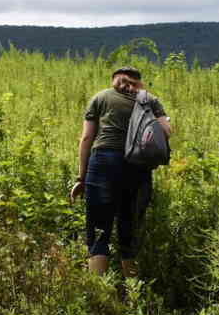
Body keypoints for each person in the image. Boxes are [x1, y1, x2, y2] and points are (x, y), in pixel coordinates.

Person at [69, 66, 171, 277]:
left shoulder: (101, 97)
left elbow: (87, 138)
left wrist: (81, 177)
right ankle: (133, 296)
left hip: (104, 161)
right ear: (138, 82)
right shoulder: (149, 99)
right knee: (129, 228)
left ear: (114, 80)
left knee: (98, 228)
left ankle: (100, 295)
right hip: (137, 166)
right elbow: (167, 131)